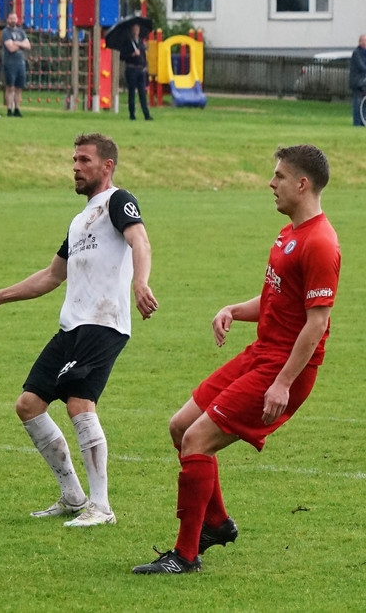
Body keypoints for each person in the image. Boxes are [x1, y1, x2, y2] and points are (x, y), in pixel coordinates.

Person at [133, 145, 340, 575]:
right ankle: (217, 522)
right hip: (260, 353)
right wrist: (233, 309)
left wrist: (282, 383)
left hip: (283, 368)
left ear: (302, 184)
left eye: (279, 176)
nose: (271, 183)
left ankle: (185, 555)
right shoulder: (289, 233)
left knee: (197, 440)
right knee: (181, 427)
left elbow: (317, 323)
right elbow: (277, 299)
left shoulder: (320, 243)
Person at [0, 132, 157, 527]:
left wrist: (141, 282)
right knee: (28, 405)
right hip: (72, 326)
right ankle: (73, 496)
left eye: (85, 160)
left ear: (107, 166)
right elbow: (53, 275)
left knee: (78, 403)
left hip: (103, 323)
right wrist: (0, 296)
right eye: (74, 160)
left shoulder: (118, 201)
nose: (76, 167)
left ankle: (101, 506)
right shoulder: (79, 221)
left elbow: (140, 240)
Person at [120, 22, 152, 121]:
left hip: (140, 70)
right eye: (134, 29)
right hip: (131, 69)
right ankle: (132, 114)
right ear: (131, 31)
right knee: (132, 92)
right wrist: (132, 54)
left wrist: (145, 66)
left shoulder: (141, 42)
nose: (136, 31)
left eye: (137, 29)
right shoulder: (127, 43)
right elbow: (122, 56)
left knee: (142, 92)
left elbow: (143, 55)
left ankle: (146, 114)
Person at [1, 12, 31, 117]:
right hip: (10, 63)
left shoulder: (21, 31)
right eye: (11, 18)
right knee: (10, 87)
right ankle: (9, 109)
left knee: (19, 87)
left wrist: (17, 43)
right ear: (7, 19)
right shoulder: (5, 32)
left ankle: (17, 109)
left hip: (20, 62)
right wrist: (21, 45)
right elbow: (10, 48)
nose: (13, 20)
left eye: (15, 18)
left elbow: (28, 45)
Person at [349, 34, 366, 127]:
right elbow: (361, 66)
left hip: (363, 81)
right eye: (364, 41)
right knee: (357, 102)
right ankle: (356, 122)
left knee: (364, 103)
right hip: (357, 82)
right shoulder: (357, 53)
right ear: (360, 42)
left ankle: (363, 121)